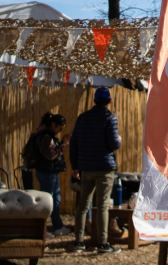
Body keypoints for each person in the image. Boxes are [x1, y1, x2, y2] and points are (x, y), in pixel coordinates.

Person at [70, 87, 122, 255]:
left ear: (94, 100)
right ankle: (103, 243)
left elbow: (74, 142)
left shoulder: (82, 118)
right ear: (109, 101)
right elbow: (114, 143)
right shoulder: (109, 118)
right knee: (102, 206)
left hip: (86, 166)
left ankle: (78, 241)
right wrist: (118, 140)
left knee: (83, 205)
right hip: (104, 167)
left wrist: (74, 165)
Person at [32, 112, 71, 237]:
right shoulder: (47, 136)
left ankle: (57, 226)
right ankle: (42, 228)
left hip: (49, 172)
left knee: (55, 200)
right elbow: (50, 155)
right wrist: (63, 145)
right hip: (47, 172)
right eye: (59, 128)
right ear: (53, 125)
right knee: (47, 201)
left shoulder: (44, 134)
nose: (59, 131)